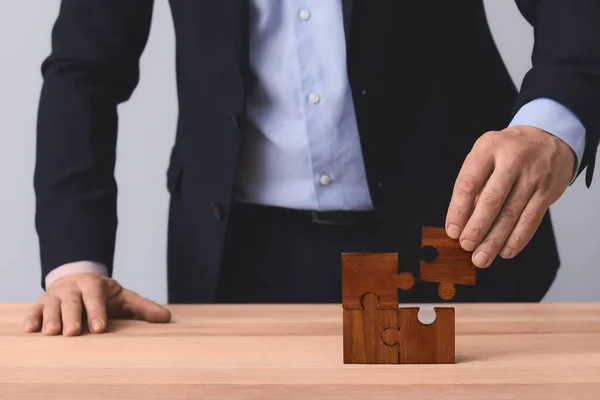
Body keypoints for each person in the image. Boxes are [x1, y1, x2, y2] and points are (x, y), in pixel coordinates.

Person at [24, 1, 600, 336]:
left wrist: (551, 121)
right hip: (238, 258)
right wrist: (75, 263)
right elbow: (85, 68)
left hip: (455, 228)